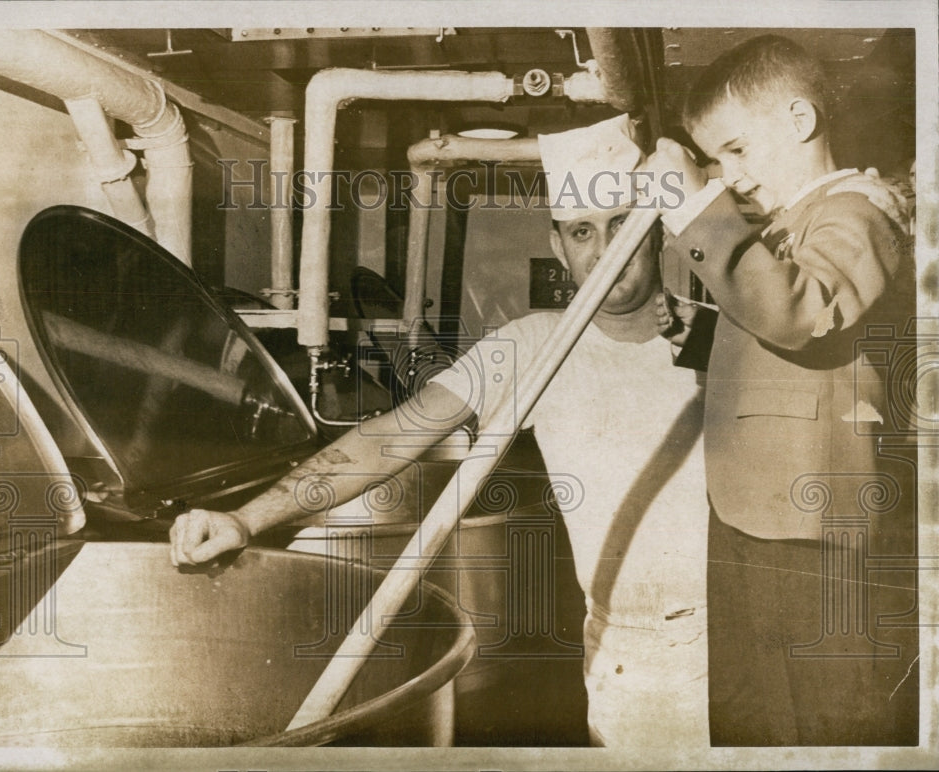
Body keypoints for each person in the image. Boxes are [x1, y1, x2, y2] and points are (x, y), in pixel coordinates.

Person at [169, 114, 712, 753]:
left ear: (654, 232)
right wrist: (246, 519)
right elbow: (387, 438)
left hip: (743, 635)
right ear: (559, 243)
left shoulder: (720, 337)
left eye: (622, 226)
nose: (603, 249)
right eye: (582, 232)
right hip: (626, 651)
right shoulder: (534, 345)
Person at [648, 34, 919, 746]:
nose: (728, 176)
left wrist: (697, 206)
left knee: (821, 716)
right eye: (716, 160)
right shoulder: (788, 225)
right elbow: (795, 348)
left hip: (809, 521)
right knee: (756, 710)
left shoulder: (858, 211)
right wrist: (697, 335)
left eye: (736, 149)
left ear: (800, 121)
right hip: (756, 507)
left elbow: (802, 314)